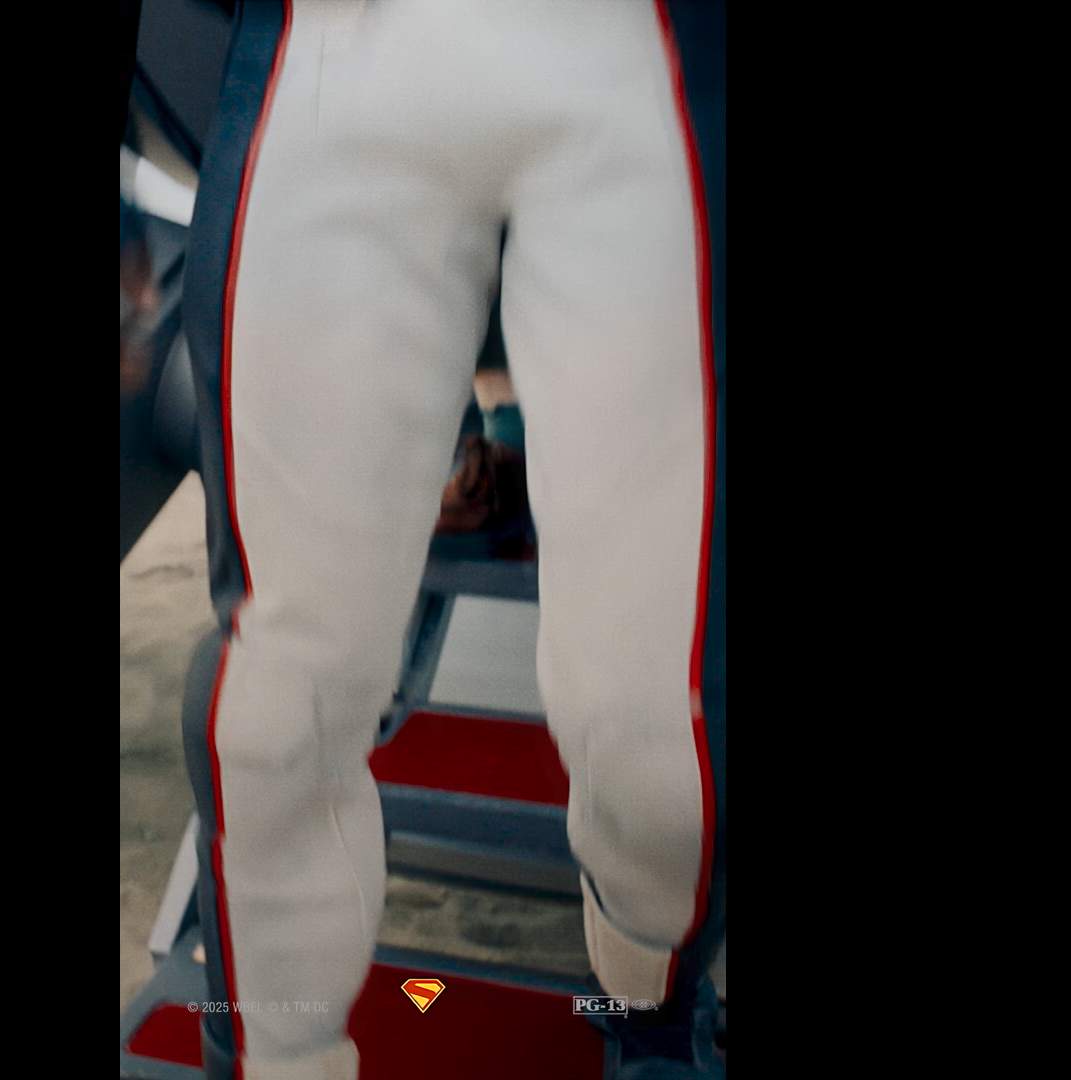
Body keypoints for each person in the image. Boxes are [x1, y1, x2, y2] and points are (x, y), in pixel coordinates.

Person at [159, 2, 728, 1076]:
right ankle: (275, 1059)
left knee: (661, 739)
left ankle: (649, 1014)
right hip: (334, 47)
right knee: (277, 713)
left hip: (632, 46)